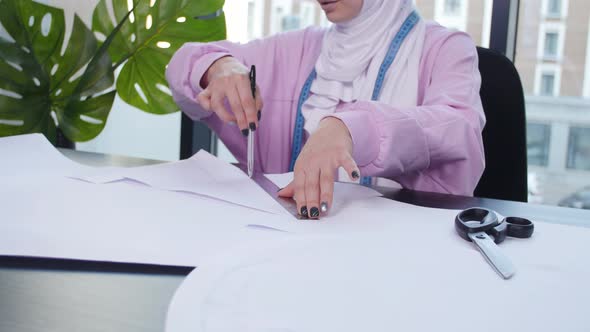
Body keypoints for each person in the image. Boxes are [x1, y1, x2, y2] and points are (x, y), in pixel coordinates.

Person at [166, 0, 485, 219]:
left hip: (400, 264)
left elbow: (458, 128)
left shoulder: (446, 48)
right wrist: (217, 67)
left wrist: (352, 130)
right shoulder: (299, 48)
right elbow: (185, 63)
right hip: (285, 256)